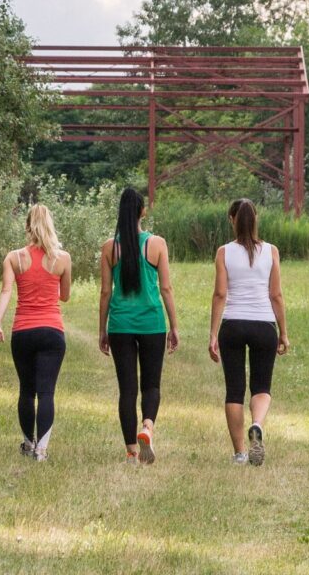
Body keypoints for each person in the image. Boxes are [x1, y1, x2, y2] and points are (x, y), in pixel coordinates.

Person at [99, 188, 179, 465]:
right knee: (151, 385)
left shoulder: (110, 247)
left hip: (120, 324)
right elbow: (166, 289)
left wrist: (102, 329)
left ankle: (132, 451)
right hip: (152, 323)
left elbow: (105, 292)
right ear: (142, 211)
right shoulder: (157, 244)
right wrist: (174, 326)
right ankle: (147, 426)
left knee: (127, 389)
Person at [208, 199, 290, 466]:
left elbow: (221, 294)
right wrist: (284, 332)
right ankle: (257, 424)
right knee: (261, 387)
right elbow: (275, 294)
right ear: (256, 219)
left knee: (234, 391)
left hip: (232, 325)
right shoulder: (271, 251)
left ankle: (240, 453)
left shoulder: (224, 252)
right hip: (264, 324)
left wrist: (213, 334)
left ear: (232, 219)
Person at [0, 205, 72, 462]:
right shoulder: (63, 259)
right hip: (51, 331)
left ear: (27, 227)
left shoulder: (14, 258)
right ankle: (42, 450)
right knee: (46, 392)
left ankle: (28, 442)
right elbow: (65, 296)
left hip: (23, 332)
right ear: (50, 225)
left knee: (27, 391)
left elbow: (6, 291)